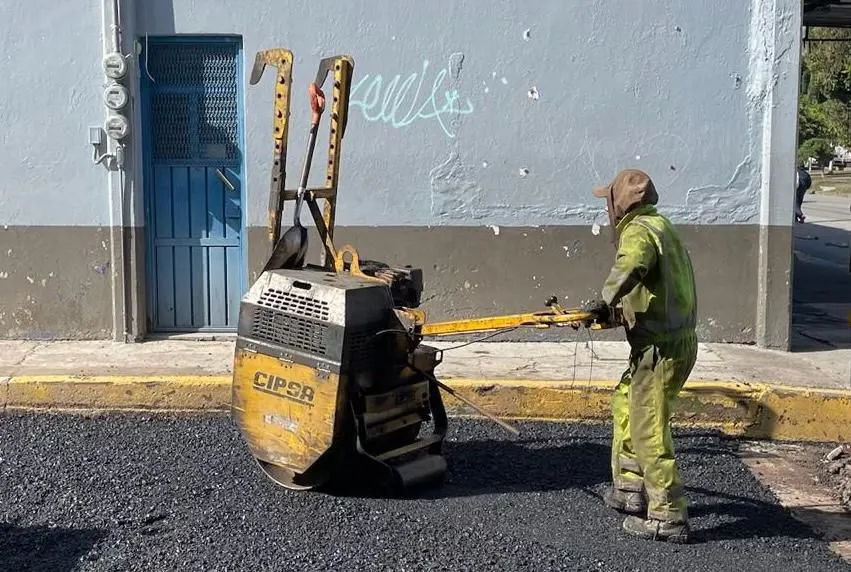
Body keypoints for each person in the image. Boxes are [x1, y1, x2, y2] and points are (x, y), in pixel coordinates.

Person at [583, 168, 698, 544]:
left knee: (649, 427)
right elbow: (653, 289)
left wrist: (605, 298)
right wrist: (614, 312)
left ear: (619, 203)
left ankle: (667, 516)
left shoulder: (638, 231)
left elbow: (632, 266)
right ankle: (630, 487)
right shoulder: (662, 225)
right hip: (670, 341)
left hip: (660, 349)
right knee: (625, 402)